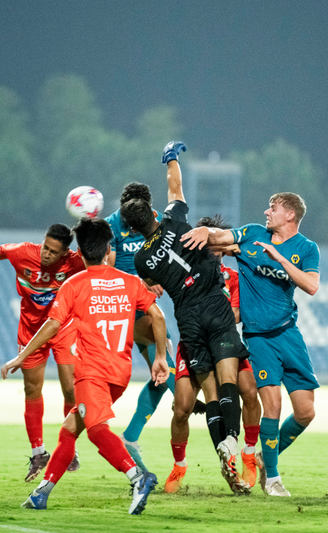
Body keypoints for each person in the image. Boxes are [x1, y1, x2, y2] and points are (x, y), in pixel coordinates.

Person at [1, 217, 169, 515]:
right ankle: (41, 493)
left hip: (92, 372)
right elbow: (158, 317)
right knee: (69, 430)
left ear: (78, 249)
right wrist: (158, 359)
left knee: (95, 430)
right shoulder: (130, 282)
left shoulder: (74, 284)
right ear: (108, 249)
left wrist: (21, 356)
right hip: (120, 372)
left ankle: (138, 477)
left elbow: (53, 325)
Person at [120, 141, 250, 493]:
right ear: (153, 210)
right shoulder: (176, 219)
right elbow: (174, 185)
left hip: (188, 317)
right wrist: (170, 156)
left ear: (131, 229)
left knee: (208, 389)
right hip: (214, 302)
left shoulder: (141, 261)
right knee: (228, 383)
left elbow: (150, 281)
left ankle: (224, 454)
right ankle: (232, 441)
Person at [182, 192, 320, 496]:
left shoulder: (307, 249)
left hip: (289, 334)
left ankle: (262, 455)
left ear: (290, 215)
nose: (266, 211)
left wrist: (279, 258)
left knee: (306, 412)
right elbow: (224, 237)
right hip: (258, 338)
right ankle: (272, 478)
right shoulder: (254, 233)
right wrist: (208, 232)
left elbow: (311, 285)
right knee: (272, 404)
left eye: (273, 208)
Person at [0, 224, 85, 481]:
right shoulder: (25, 252)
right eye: (45, 247)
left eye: (53, 251)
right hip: (30, 330)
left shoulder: (75, 263)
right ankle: (39, 453)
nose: (46, 254)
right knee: (32, 389)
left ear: (64, 253)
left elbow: (102, 261)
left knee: (70, 388)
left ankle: (68, 447)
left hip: (63, 328)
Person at [164, 215, 262, 494]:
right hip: (194, 342)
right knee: (182, 407)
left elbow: (236, 314)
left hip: (224, 340)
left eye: (216, 244)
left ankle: (247, 455)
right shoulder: (185, 272)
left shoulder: (231, 277)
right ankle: (180, 464)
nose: (214, 250)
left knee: (249, 391)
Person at [104, 182, 178, 472]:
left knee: (160, 372)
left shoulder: (152, 220)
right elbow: (107, 271)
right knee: (167, 365)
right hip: (127, 305)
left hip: (147, 302)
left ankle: (130, 437)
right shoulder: (111, 227)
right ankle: (197, 406)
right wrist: (143, 281)